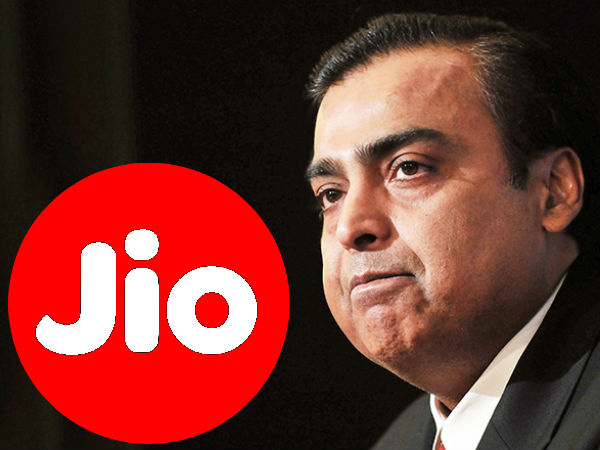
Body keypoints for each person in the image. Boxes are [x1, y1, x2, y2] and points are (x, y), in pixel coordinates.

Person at [305, 13, 600, 450]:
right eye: (331, 194)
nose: (350, 227)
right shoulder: (400, 442)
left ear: (553, 192)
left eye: (409, 168)